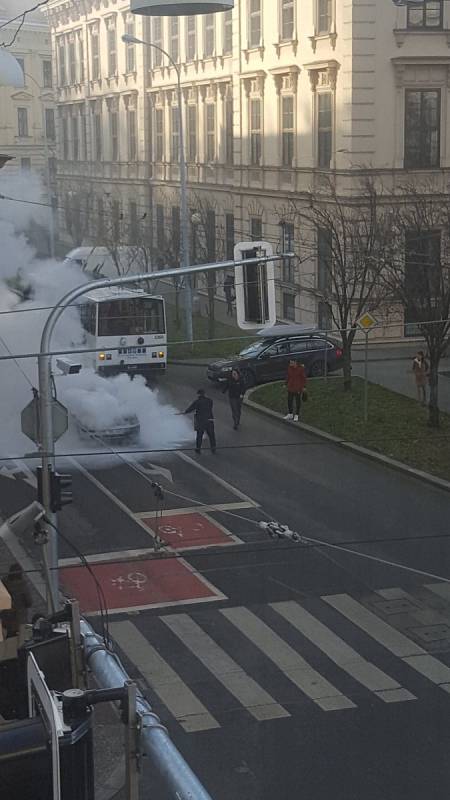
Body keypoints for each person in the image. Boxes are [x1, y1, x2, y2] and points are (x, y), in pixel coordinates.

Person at [184, 389, 217, 454]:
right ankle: (213, 448)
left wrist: (186, 412)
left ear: (198, 394)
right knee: (211, 435)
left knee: (199, 435)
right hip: (210, 419)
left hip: (201, 421)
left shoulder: (197, 402)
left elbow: (190, 408)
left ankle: (198, 449)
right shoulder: (210, 401)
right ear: (204, 393)